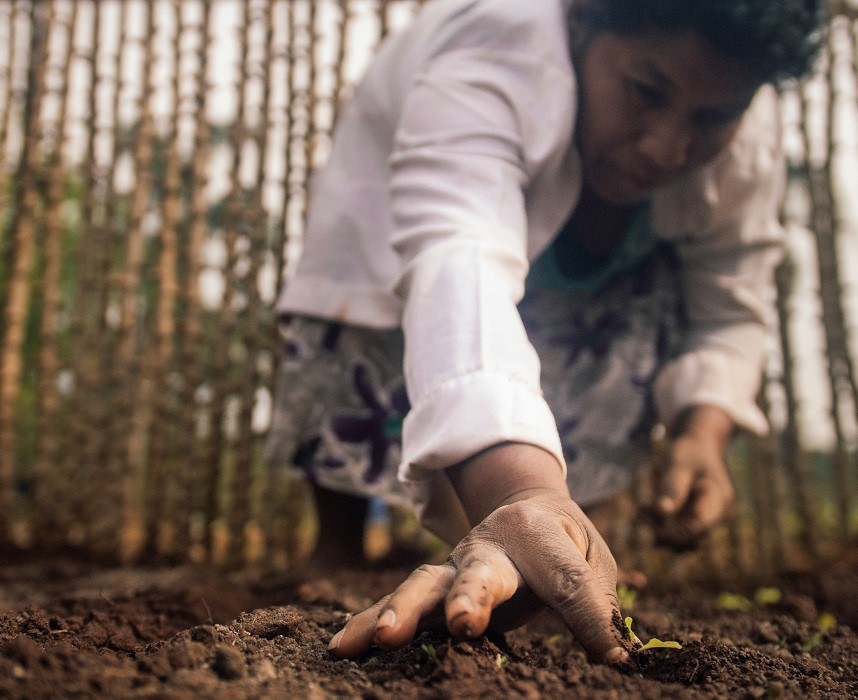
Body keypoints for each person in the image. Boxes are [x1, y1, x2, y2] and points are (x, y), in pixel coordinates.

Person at [266, 0, 823, 665]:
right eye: (646, 92)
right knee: (376, 306)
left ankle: (568, 547)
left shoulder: (746, 129)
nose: (666, 148)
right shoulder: (497, 45)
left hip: (594, 288)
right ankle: (344, 553)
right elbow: (457, 253)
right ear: (584, 20)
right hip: (404, 233)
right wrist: (518, 494)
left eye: (710, 120)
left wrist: (702, 433)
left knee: (619, 334)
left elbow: (731, 297)